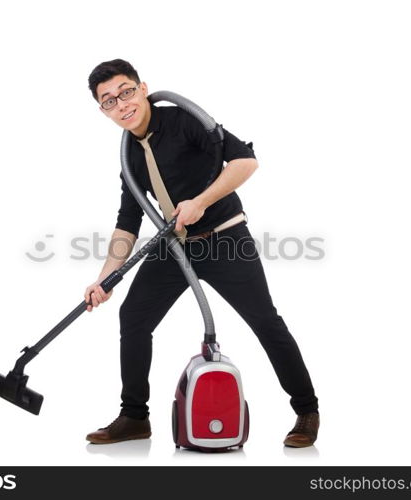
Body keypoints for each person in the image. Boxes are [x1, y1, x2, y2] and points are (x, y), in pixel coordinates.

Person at [83, 59, 319, 447]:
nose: (121, 104)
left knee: (265, 322)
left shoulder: (185, 121)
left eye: (126, 91)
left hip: (226, 239)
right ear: (102, 110)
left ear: (143, 88)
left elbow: (246, 161)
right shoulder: (129, 155)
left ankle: (306, 410)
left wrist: (201, 202)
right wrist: (105, 277)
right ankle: (134, 418)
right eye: (109, 100)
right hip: (175, 248)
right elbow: (128, 222)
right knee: (134, 317)